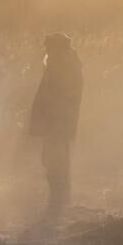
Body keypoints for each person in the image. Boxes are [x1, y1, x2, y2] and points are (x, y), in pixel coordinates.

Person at [30, 33, 83, 221]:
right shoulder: (62, 64)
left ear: (58, 48)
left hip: (57, 122)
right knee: (53, 158)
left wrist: (54, 121)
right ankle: (58, 198)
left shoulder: (62, 66)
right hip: (56, 121)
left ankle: (58, 200)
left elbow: (61, 97)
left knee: (55, 159)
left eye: (49, 46)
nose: (46, 50)